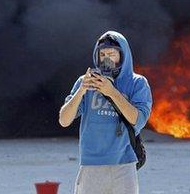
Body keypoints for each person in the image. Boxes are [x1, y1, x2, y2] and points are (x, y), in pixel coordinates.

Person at [58, 31, 153, 194]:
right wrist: (81, 91)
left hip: (124, 164)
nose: (107, 59)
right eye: (102, 54)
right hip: (91, 164)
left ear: (123, 56)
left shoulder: (137, 83)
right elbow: (64, 120)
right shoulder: (85, 81)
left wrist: (112, 92)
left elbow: (138, 119)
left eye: (112, 54)